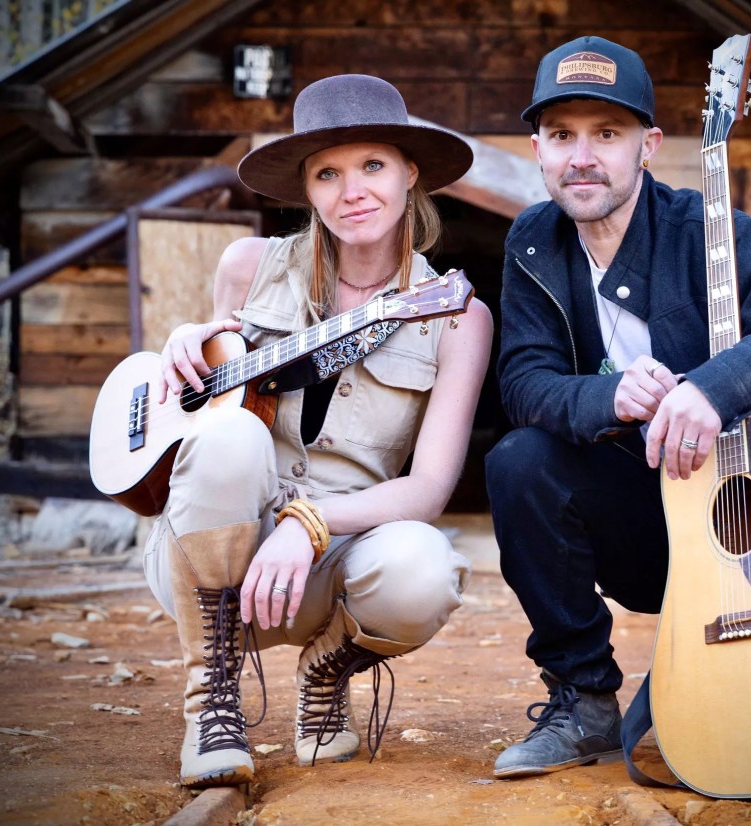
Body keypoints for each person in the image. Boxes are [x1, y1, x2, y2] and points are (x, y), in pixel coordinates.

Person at [486, 37, 751, 778]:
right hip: (645, 532)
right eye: (562, 135)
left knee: (726, 742)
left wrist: (724, 379)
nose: (582, 157)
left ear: (649, 146)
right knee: (519, 462)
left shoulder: (710, 228)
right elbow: (523, 382)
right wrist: (609, 394)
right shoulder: (533, 242)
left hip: (750, 533)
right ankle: (584, 701)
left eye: (607, 133)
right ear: (536, 148)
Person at [142, 73, 493, 788]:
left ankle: (325, 672)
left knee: (426, 568)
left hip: (334, 563)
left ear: (409, 174)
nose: (351, 190)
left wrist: (308, 523)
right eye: (326, 173)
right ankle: (212, 704)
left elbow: (427, 488)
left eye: (372, 166)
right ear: (306, 189)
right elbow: (210, 418)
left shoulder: (456, 316)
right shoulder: (247, 268)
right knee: (232, 439)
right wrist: (183, 350)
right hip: (218, 558)